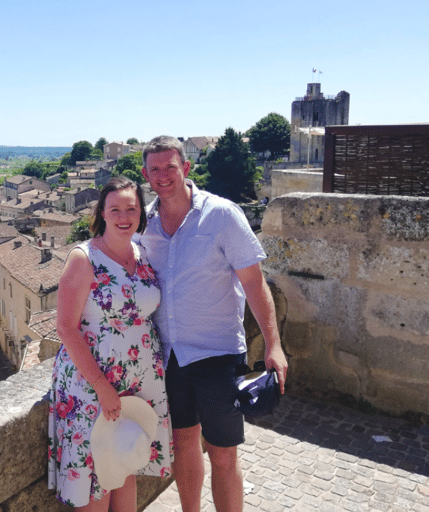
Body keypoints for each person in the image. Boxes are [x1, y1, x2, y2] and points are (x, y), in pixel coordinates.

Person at [137, 136, 288, 512]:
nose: (162, 176)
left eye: (170, 167)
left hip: (217, 353)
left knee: (223, 455)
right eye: (154, 169)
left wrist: (274, 344)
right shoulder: (145, 223)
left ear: (186, 168)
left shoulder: (221, 215)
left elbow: (254, 282)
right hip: (168, 356)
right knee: (184, 445)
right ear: (145, 175)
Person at [48, 176, 173, 512]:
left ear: (140, 214)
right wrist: (102, 386)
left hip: (138, 382)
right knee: (96, 479)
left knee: (124, 468)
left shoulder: (143, 252)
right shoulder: (83, 258)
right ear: (101, 213)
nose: (124, 216)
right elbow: (66, 328)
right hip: (93, 384)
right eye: (115, 208)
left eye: (131, 208)